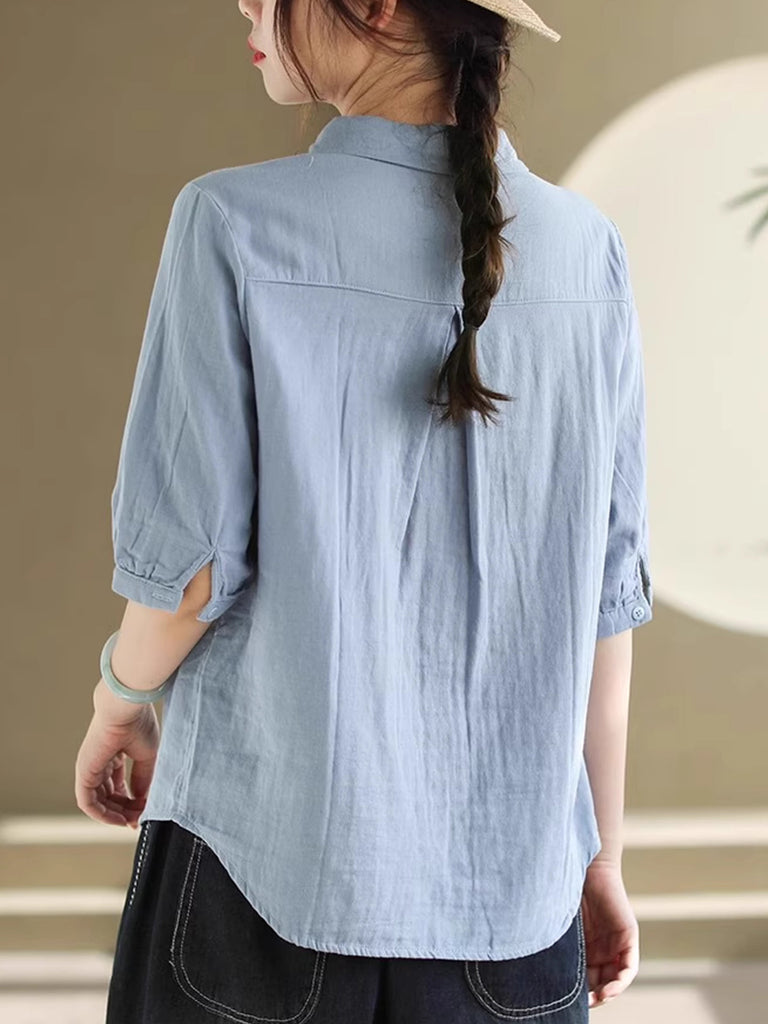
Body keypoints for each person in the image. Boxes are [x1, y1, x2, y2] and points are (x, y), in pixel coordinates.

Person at [73, 1, 654, 1021]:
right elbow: (604, 602)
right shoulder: (589, 250)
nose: (246, 5)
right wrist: (600, 858)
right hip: (521, 912)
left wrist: (117, 703)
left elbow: (193, 573)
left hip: (259, 887)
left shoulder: (231, 221)